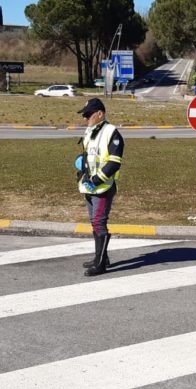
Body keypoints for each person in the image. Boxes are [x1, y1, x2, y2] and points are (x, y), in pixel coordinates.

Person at [76, 98, 123, 277]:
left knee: (99, 222)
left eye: (88, 114)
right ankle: (100, 257)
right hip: (88, 186)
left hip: (102, 187)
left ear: (100, 114)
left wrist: (96, 180)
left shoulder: (112, 133)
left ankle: (101, 264)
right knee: (94, 222)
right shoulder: (90, 131)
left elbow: (114, 163)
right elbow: (90, 156)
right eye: (84, 114)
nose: (85, 117)